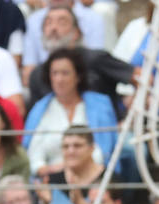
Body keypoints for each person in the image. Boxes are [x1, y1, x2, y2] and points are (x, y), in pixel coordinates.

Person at [25, 46, 117, 179]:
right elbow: (34, 157)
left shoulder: (101, 105)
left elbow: (105, 150)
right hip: (52, 179)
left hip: (94, 178)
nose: (59, 79)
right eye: (55, 73)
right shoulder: (39, 110)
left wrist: (75, 168)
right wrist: (52, 171)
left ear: (78, 76)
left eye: (65, 73)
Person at [39, 124, 102, 204]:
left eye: (77, 146)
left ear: (92, 148)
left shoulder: (107, 179)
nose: (71, 151)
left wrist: (79, 202)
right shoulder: (51, 180)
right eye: (65, 147)